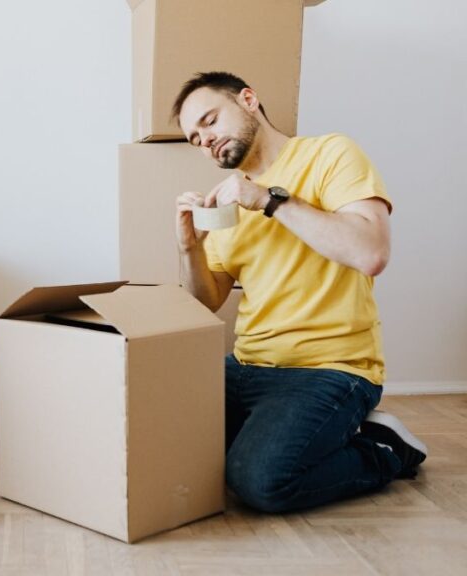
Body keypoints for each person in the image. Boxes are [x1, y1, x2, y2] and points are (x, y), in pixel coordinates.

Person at [171, 71, 427, 513]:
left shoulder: (330, 154)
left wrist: (269, 200)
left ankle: (383, 448)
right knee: (159, 436)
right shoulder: (228, 200)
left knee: (260, 481)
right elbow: (206, 300)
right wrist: (188, 248)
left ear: (248, 99)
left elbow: (371, 253)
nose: (205, 140)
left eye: (210, 121)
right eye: (195, 138)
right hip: (246, 364)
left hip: (329, 368)